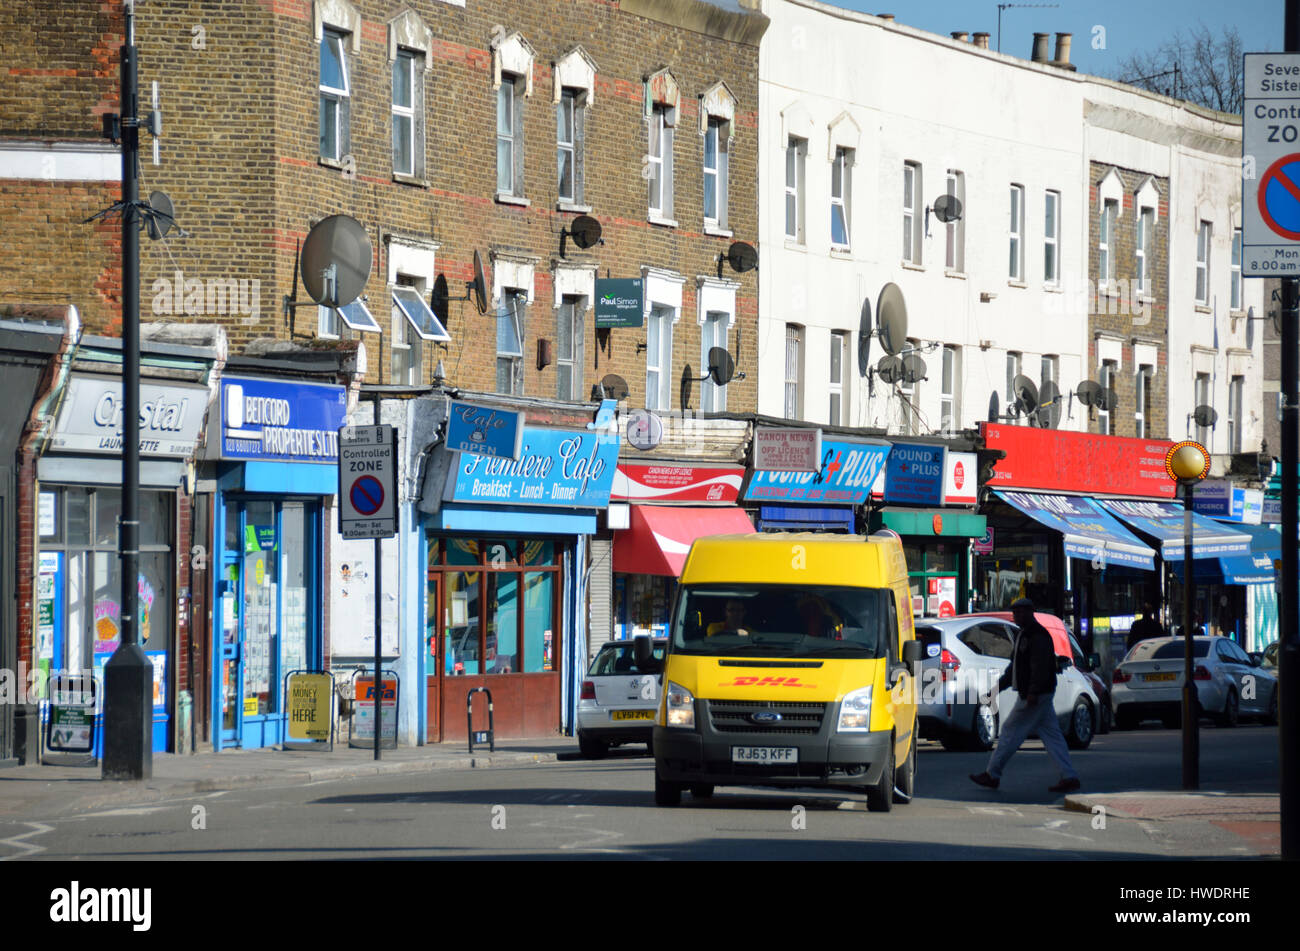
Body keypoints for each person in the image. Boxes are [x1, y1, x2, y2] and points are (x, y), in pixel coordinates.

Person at [970, 597, 1081, 795]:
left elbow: (1039, 666)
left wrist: (1032, 692)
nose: (1017, 616)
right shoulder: (1026, 634)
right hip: (1040, 694)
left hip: (1035, 695)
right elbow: (1015, 667)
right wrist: (997, 689)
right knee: (1052, 736)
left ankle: (992, 774)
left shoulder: (1036, 636)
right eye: (1015, 612)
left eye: (1021, 612)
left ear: (1031, 612)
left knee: (1010, 731)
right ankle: (1069, 776)